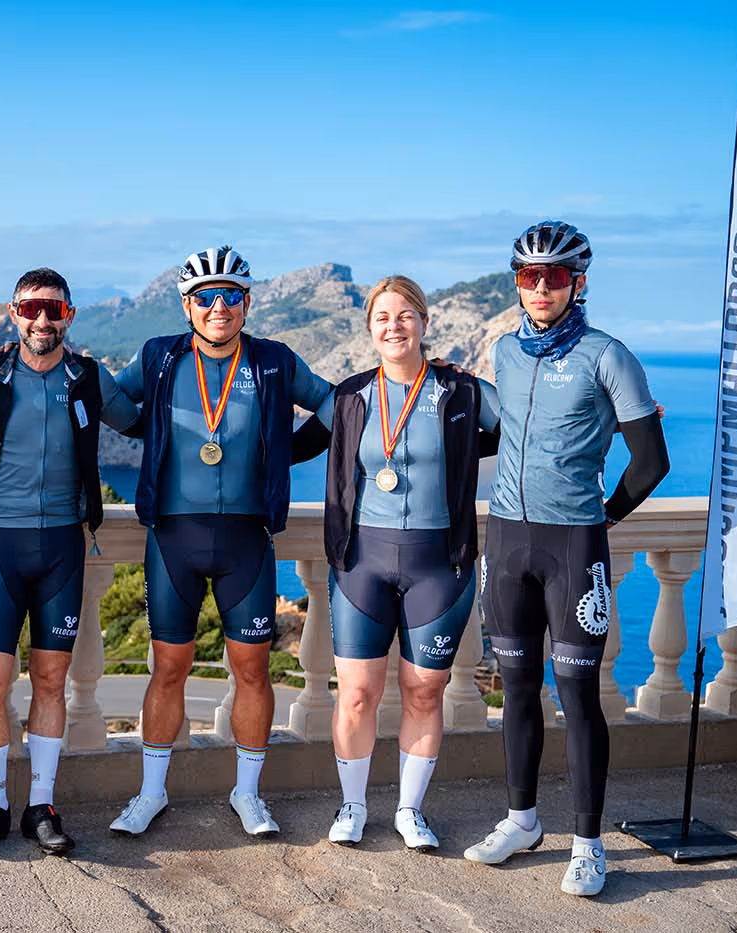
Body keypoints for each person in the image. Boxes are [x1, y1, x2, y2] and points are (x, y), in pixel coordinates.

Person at [462, 221, 669, 896]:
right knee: (516, 687)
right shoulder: (505, 351)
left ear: (578, 282)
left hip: (573, 545)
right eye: (529, 276)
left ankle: (588, 844)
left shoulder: (608, 355)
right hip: (506, 539)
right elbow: (503, 432)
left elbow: (651, 460)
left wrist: (605, 516)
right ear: (517, 284)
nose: (541, 288)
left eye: (553, 277)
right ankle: (521, 821)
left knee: (578, 695)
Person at [109, 246, 334, 838]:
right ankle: (151, 793)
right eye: (205, 296)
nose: (218, 306)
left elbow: (338, 404)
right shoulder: (159, 356)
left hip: (245, 540)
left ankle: (248, 794)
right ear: (187, 305)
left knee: (253, 670)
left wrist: (288, 450)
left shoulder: (274, 362)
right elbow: (107, 399)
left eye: (230, 295)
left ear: (246, 303)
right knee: (168, 669)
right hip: (173, 538)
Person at [290, 275, 501, 852]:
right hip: (362, 561)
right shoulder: (350, 397)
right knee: (356, 692)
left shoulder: (463, 392)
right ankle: (353, 806)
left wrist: (616, 418)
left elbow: (532, 429)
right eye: (382, 317)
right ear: (369, 328)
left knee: (424, 691)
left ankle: (410, 810)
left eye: (406, 315)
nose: (394, 326)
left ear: (425, 322)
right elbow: (288, 448)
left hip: (440, 563)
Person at [0, 268, 139, 856]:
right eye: (31, 308)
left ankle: (41, 806)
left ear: (69, 315)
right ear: (13, 313)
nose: (42, 319)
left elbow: (140, 421)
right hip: (3, 545)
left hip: (62, 550)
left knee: (51, 681)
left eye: (54, 308)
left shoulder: (88, 378)